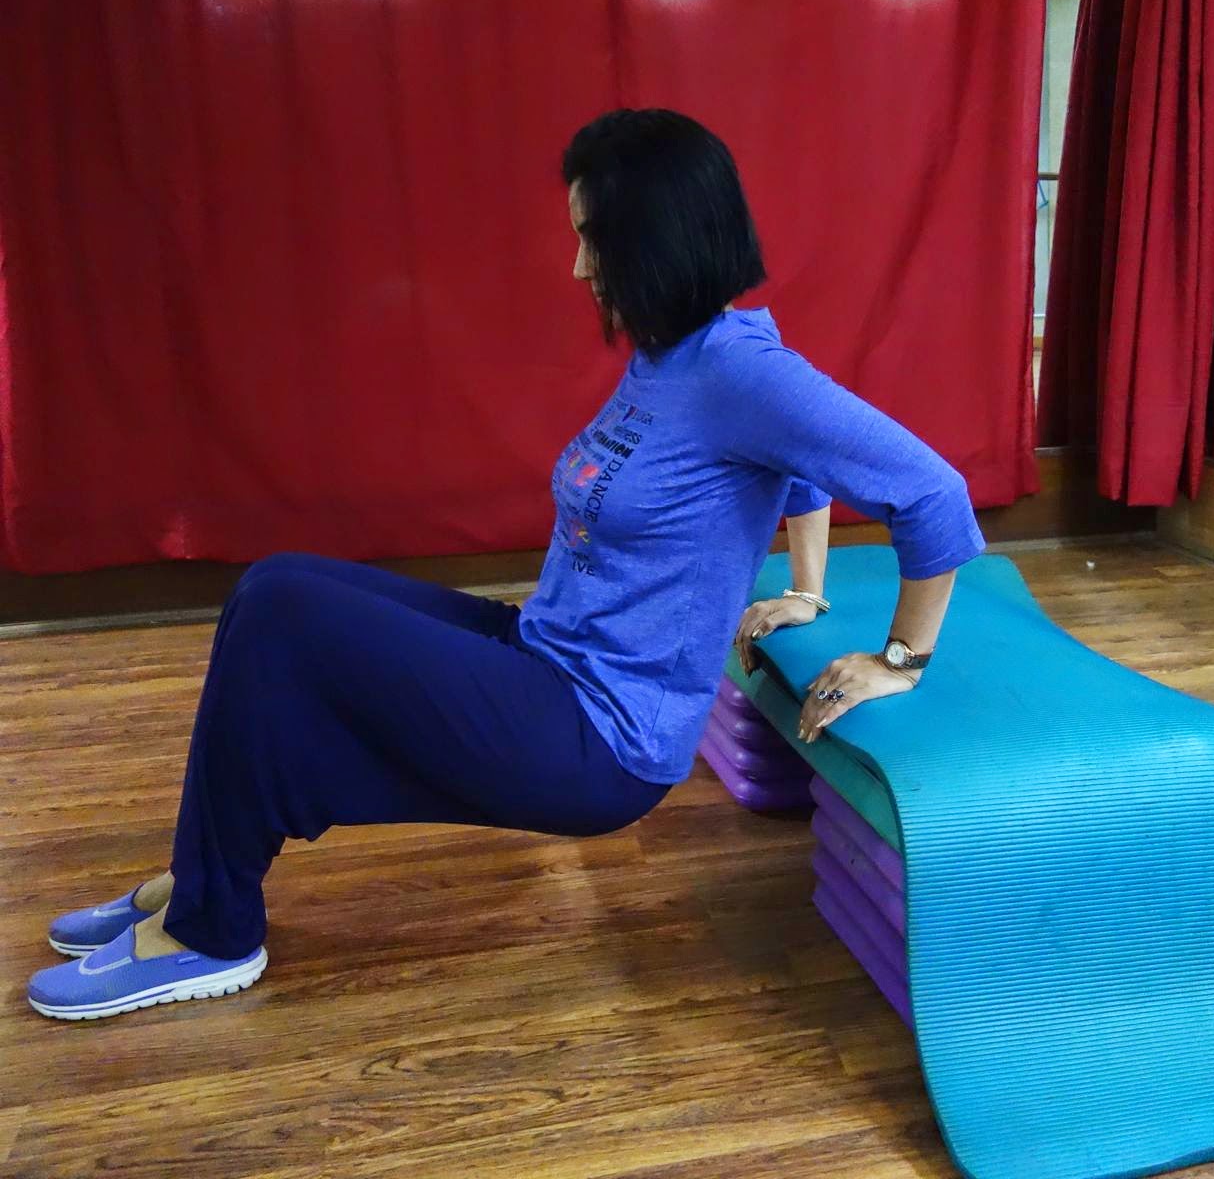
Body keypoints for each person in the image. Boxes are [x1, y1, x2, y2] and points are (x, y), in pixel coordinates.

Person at [27, 108, 986, 1021]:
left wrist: (900, 661)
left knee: (285, 620)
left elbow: (929, 492)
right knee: (272, 587)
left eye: (592, 238)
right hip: (544, 654)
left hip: (602, 734)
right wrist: (806, 591)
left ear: (654, 237)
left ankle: (210, 930)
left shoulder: (740, 369)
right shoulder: (673, 358)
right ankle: (205, 878)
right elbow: (797, 470)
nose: (578, 266)